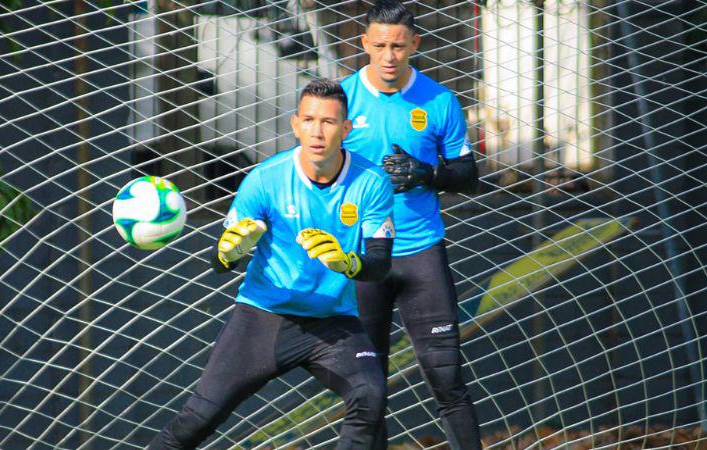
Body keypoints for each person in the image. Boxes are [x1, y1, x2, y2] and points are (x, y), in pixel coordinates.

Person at [148, 79, 396, 449]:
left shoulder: (372, 182)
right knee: (197, 419)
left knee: (370, 394)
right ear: (295, 125)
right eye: (308, 120)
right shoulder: (264, 179)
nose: (317, 132)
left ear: (346, 128)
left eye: (328, 122)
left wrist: (347, 262)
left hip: (333, 320)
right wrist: (229, 252)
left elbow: (379, 263)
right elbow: (218, 261)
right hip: (263, 316)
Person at [339, 1, 482, 449]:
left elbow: (468, 175)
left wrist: (428, 174)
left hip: (422, 253)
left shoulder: (439, 100)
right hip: (361, 258)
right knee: (367, 389)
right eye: (379, 45)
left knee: (448, 381)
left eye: (398, 47)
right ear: (364, 43)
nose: (388, 56)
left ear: (414, 44)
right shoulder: (340, 100)